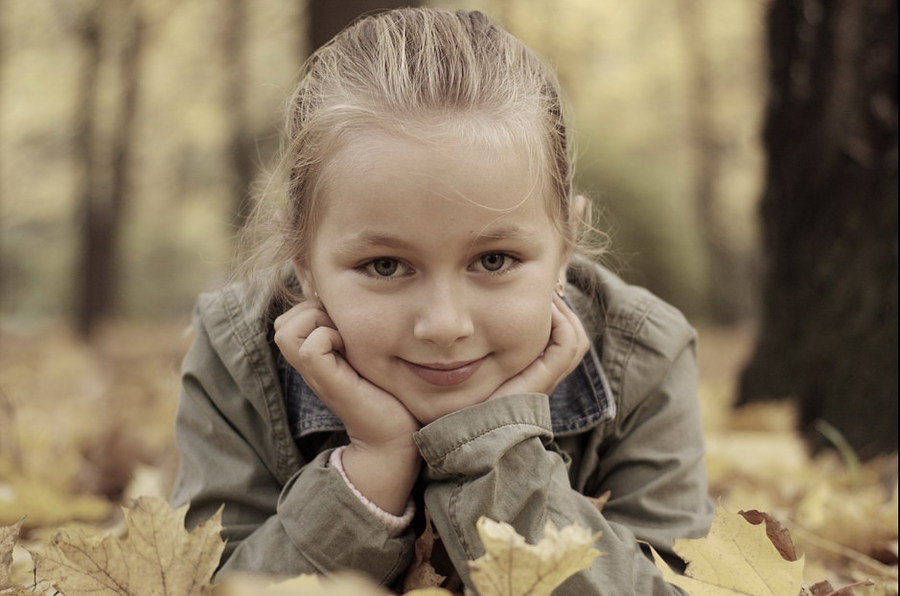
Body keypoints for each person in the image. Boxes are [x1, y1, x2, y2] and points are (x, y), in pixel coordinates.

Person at [171, 7, 713, 594]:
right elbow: (214, 585)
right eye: (385, 265)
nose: (444, 325)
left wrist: (496, 455)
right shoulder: (238, 349)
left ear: (565, 247)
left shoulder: (641, 354)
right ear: (303, 264)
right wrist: (371, 470)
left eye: (493, 261)